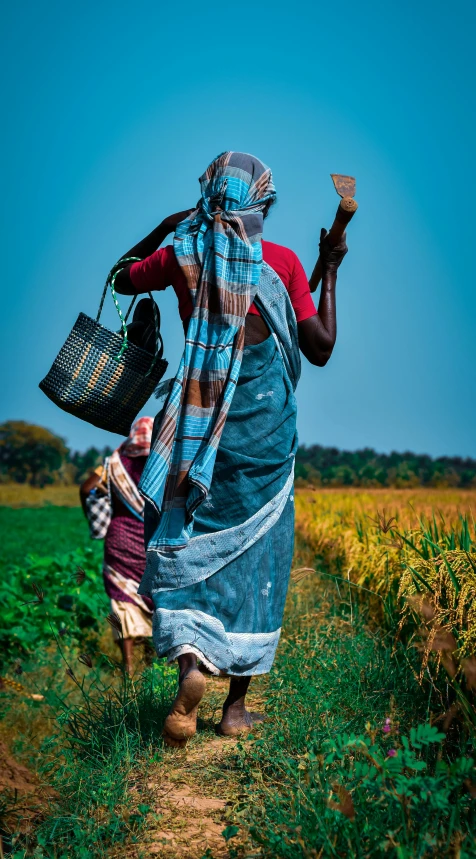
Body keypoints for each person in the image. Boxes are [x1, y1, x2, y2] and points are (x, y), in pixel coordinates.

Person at [114, 151, 348, 744]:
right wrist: (332, 270)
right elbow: (319, 347)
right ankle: (234, 709)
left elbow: (122, 274)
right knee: (259, 557)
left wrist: (169, 227)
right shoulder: (285, 264)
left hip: (197, 433)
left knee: (189, 541)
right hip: (264, 439)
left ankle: (191, 666)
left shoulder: (182, 258)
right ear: (260, 206)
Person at [80, 417, 154, 674]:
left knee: (124, 603)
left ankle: (129, 666)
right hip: (151, 541)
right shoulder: (161, 461)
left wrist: (94, 520)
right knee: (155, 598)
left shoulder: (114, 462)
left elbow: (87, 487)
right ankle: (152, 658)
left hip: (119, 540)